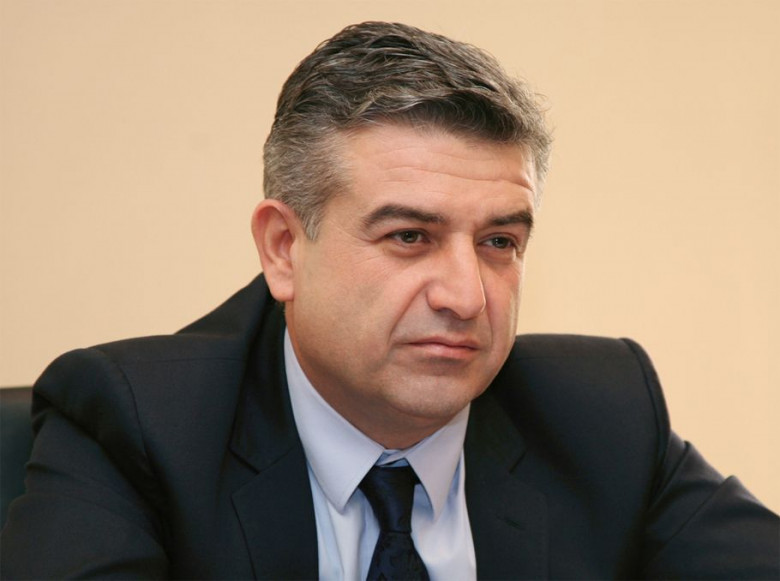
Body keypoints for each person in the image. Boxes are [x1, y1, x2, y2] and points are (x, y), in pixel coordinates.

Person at [1, 21, 777, 580]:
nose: (466, 295)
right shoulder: (136, 427)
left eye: (498, 241)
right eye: (409, 236)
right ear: (283, 248)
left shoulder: (603, 418)